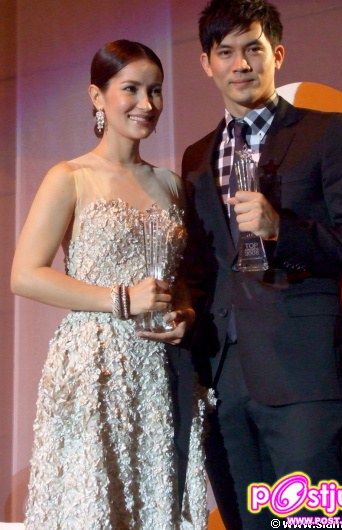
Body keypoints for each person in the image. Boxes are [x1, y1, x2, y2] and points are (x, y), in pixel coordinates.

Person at [181, 0, 342, 529]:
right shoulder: (197, 157)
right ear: (206, 63)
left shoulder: (324, 133)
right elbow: (203, 268)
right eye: (225, 52)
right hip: (223, 379)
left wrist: (282, 230)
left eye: (253, 48)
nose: (240, 64)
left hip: (302, 376)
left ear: (277, 54)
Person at [11, 39, 212, 530]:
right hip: (95, 365)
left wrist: (185, 313)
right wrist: (119, 299)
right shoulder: (70, 176)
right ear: (97, 96)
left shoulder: (171, 185)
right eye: (131, 89)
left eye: (155, 90)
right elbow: (25, 274)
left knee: (157, 502)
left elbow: (180, 279)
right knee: (95, 504)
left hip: (162, 368)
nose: (146, 104)